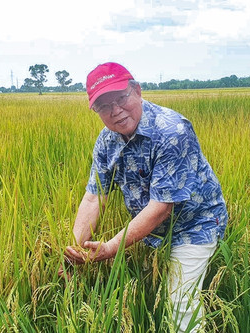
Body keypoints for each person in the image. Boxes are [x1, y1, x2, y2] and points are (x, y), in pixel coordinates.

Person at [64, 62, 228, 332]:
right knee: (147, 291)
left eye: (121, 98)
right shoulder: (107, 141)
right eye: (104, 106)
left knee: (180, 302)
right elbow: (95, 198)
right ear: (95, 111)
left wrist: (110, 248)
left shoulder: (172, 131)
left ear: (137, 91)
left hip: (195, 223)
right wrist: (74, 251)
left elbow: (161, 208)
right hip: (152, 231)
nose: (116, 111)